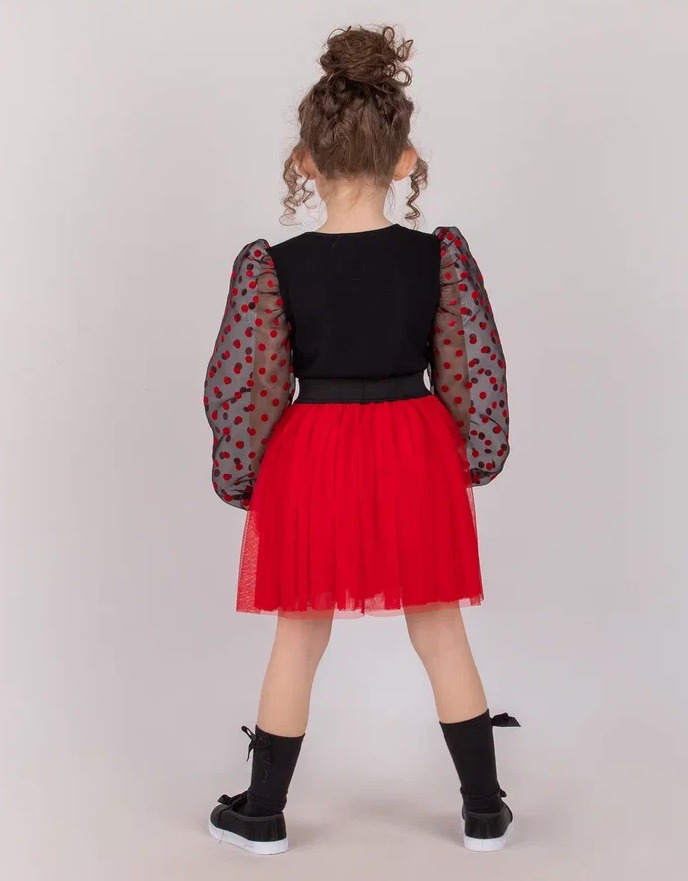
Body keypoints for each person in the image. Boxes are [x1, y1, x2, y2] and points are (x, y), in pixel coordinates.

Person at [202, 23, 520, 856]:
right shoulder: (438, 258)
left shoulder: (273, 266)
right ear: (405, 160)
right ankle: (484, 809)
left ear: (305, 161)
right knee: (440, 626)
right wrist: (476, 455)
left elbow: (250, 383)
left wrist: (243, 475)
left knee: (299, 631)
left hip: (313, 451)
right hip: (415, 446)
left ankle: (262, 811)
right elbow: (472, 367)